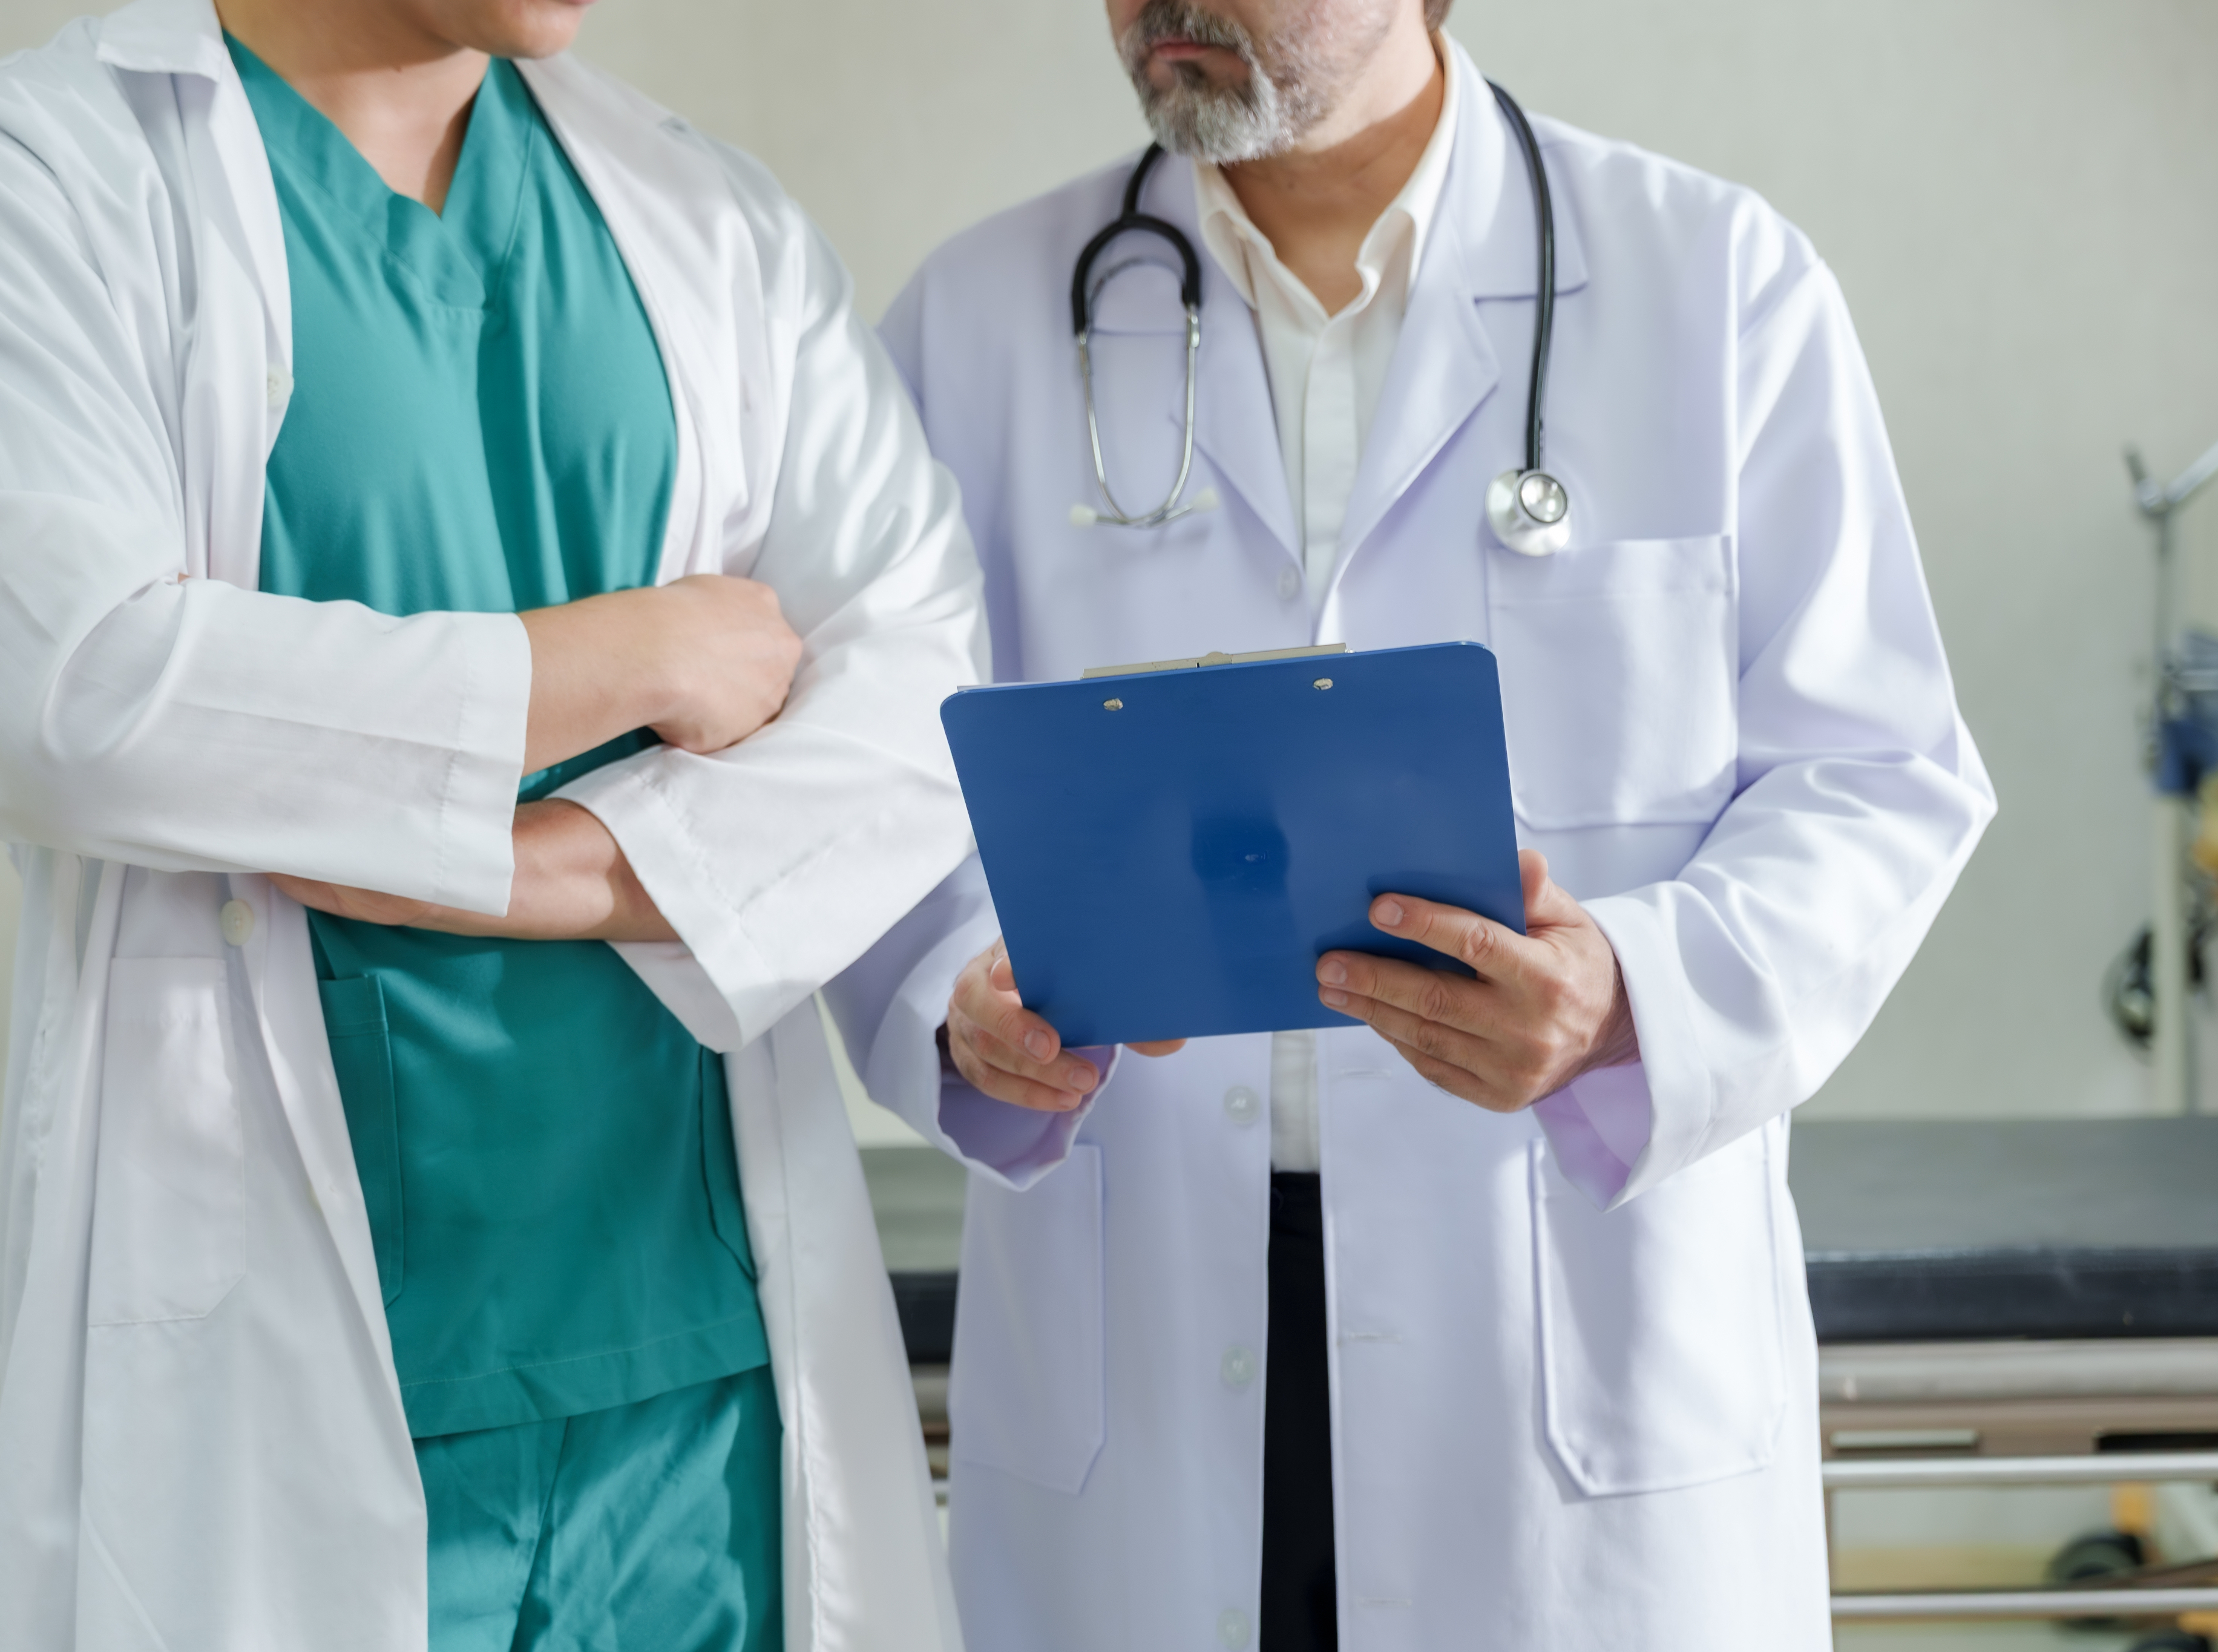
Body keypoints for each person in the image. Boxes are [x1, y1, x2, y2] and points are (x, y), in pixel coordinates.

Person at [827, 1, 1993, 1647]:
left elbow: (1880, 775)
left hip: (1561, 1350)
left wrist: (1630, 994)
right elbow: (868, 792)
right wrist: (958, 999)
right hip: (1150, 1332)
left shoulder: (1716, 287)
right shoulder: (979, 323)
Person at [0, 0, 979, 1644]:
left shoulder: (707, 220)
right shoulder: (16, 177)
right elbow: (88, 693)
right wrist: (634, 652)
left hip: (693, 1355)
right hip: (281, 1337)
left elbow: (908, 700)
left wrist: (537, 873)